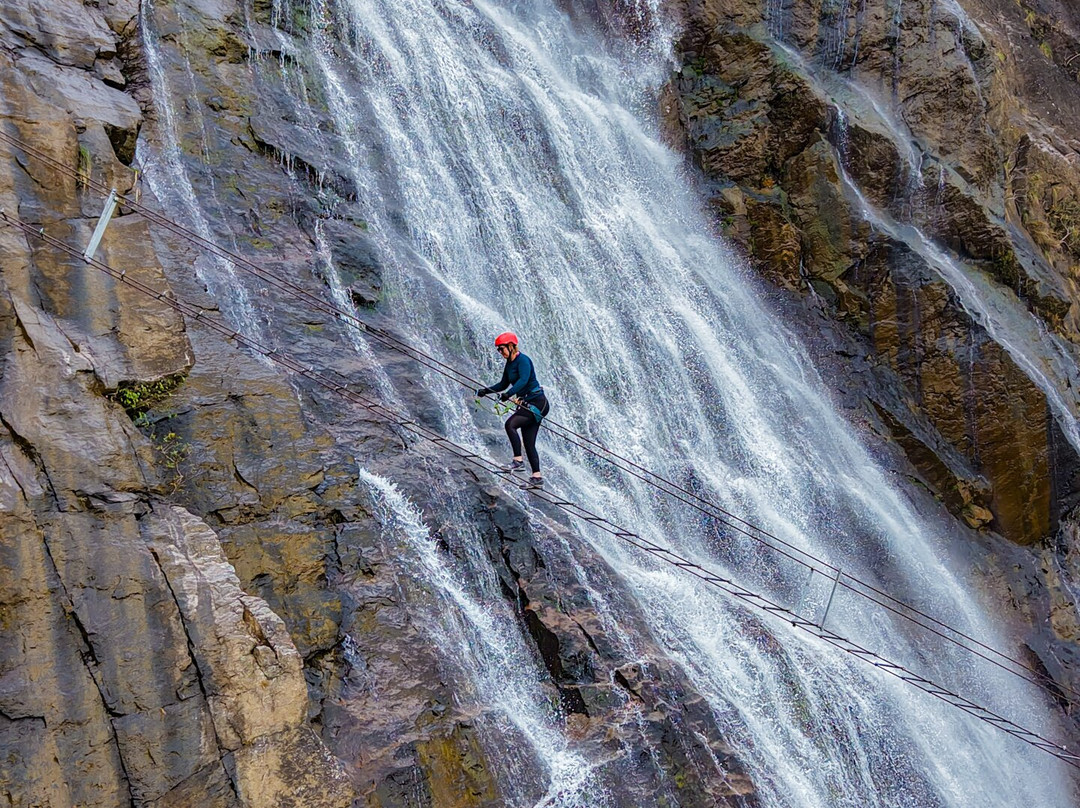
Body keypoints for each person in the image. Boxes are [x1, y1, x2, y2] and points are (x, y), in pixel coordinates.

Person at [476, 331, 550, 488]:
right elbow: (503, 384)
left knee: (510, 425)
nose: (500, 352)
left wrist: (509, 394)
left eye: (501, 349)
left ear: (511, 346)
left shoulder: (523, 360)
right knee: (529, 443)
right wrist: (486, 391)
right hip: (528, 404)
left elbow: (523, 380)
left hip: (537, 402)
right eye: (498, 350)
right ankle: (537, 477)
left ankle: (518, 461)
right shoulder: (509, 364)